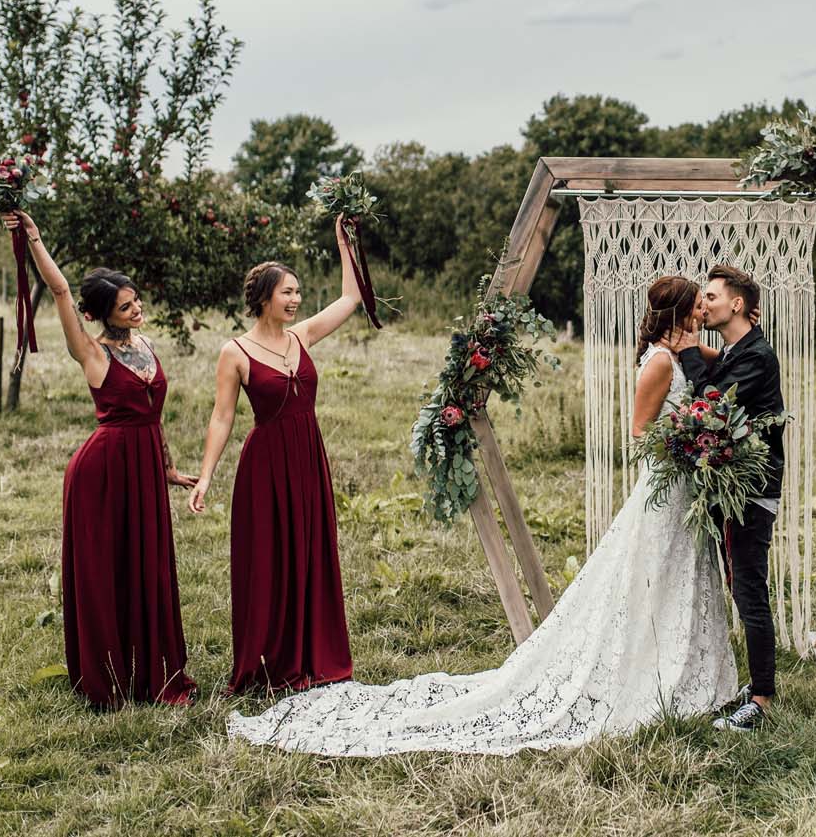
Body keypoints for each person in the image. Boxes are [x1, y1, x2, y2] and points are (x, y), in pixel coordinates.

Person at [225, 275, 737, 755]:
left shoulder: (688, 351)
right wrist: (690, 443)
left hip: (689, 485)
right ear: (681, 313)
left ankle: (688, 665)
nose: (704, 312)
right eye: (698, 305)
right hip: (669, 481)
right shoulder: (660, 364)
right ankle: (650, 670)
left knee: (683, 575)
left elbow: (729, 367)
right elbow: (641, 433)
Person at [3, 210, 197, 708]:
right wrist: (34, 237)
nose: (137, 310)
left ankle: (151, 671)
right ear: (103, 313)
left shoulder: (147, 343)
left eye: (136, 301)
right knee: (107, 571)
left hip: (145, 467)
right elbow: (64, 292)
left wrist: (168, 466)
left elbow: (154, 414)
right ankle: (108, 678)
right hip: (103, 472)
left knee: (147, 567)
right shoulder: (91, 353)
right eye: (126, 306)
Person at [188, 216, 362, 693]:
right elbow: (221, 417)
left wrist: (343, 244)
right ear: (264, 298)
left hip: (307, 457)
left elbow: (351, 299)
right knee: (268, 562)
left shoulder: (302, 336)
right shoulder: (235, 352)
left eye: (298, 292)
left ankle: (313, 655)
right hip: (264, 467)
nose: (296, 300)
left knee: (309, 552)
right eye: (287, 292)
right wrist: (205, 476)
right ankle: (268, 662)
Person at [671, 264, 785, 732]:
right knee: (742, 587)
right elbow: (717, 367)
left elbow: (712, 400)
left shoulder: (756, 355)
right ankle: (758, 684)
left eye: (711, 297)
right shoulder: (740, 349)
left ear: (736, 304)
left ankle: (761, 699)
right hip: (733, 494)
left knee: (750, 591)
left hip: (751, 496)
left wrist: (683, 349)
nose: (705, 304)